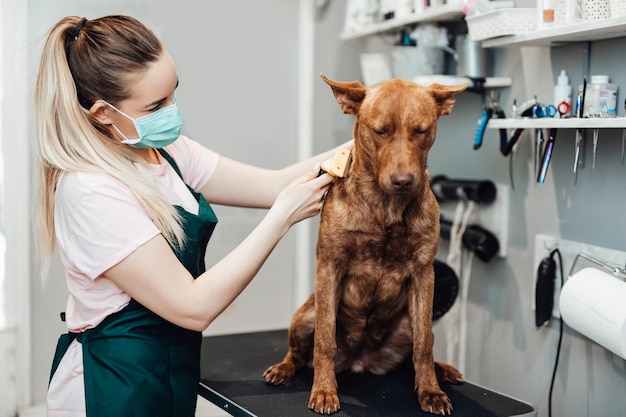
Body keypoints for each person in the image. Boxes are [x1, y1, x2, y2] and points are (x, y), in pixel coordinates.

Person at [34, 14, 344, 417]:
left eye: (173, 94)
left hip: (170, 369)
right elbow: (191, 307)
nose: (172, 112)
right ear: (102, 113)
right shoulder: (90, 190)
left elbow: (275, 185)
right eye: (156, 105)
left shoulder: (168, 152)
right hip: (112, 383)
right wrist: (281, 219)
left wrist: (373, 134)